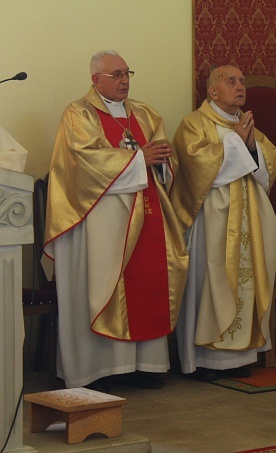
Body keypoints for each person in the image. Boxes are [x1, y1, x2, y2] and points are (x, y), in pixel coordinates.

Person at [44, 50, 189, 389]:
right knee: (103, 284)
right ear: (95, 79)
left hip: (148, 214)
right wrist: (139, 158)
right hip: (102, 222)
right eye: (116, 74)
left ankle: (146, 366)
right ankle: (97, 371)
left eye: (127, 73)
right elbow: (82, 163)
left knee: (151, 280)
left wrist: (161, 161)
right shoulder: (77, 113)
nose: (124, 80)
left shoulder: (144, 112)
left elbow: (166, 161)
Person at [170, 64, 276, 381]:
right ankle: (205, 359)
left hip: (249, 218)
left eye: (242, 81)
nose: (240, 85)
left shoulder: (246, 125)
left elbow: (271, 163)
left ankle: (238, 357)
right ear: (212, 90)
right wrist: (237, 142)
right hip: (211, 220)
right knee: (211, 279)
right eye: (231, 81)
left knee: (247, 282)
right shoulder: (194, 124)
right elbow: (196, 165)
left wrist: (249, 144)